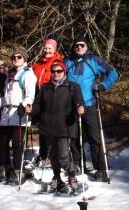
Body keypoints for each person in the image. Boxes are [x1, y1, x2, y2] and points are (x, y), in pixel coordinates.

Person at [65, 36, 120, 182]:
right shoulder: (68, 62)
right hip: (72, 105)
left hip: (89, 104)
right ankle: (77, 164)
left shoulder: (94, 60)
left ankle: (100, 168)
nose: (79, 48)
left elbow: (114, 72)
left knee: (94, 137)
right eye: (76, 45)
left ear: (86, 46)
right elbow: (57, 75)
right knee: (74, 137)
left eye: (82, 45)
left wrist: (103, 86)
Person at [30, 60, 84, 192]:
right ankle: (57, 177)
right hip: (48, 126)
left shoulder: (72, 86)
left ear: (64, 71)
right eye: (53, 71)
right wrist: (31, 108)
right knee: (53, 155)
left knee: (64, 155)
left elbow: (79, 101)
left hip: (65, 126)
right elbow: (38, 105)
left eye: (59, 71)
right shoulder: (45, 87)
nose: (56, 74)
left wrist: (80, 107)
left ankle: (71, 176)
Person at [0, 47, 37, 185]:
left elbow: (30, 95)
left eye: (19, 57)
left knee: (17, 144)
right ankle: (4, 166)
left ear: (24, 59)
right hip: (6, 114)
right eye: (14, 57)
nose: (16, 59)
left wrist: (25, 105)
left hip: (19, 113)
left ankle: (18, 169)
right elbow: (6, 97)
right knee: (2, 142)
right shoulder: (10, 75)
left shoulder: (28, 74)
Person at [32, 39, 63, 167]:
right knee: (42, 128)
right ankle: (43, 153)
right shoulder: (38, 63)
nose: (47, 50)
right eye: (46, 48)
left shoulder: (58, 63)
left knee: (51, 127)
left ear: (54, 50)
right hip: (39, 96)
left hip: (52, 96)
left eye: (50, 48)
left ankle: (52, 154)